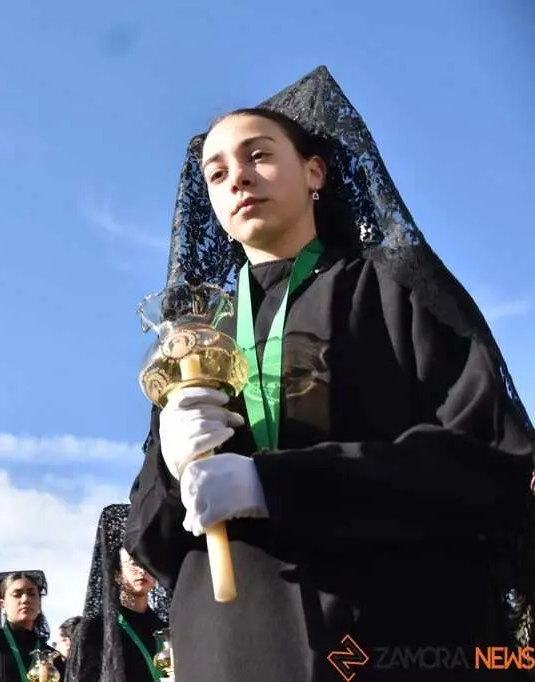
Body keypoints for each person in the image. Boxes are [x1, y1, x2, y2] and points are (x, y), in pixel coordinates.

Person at [125, 65, 535, 681]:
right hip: (229, 648)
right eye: (216, 172)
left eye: (258, 155)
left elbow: (491, 463)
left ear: (315, 171)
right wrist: (170, 464)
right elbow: (149, 542)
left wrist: (278, 485)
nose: (236, 177)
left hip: (394, 636)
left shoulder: (394, 289)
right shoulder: (195, 341)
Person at [67, 504, 170, 682]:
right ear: (116, 573)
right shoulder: (94, 630)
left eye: (147, 563)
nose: (142, 570)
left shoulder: (165, 629)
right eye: (133, 563)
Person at [0, 571, 66, 682]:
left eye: (32, 594)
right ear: (2, 604)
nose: (25, 599)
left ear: (39, 603)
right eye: (17, 594)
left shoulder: (52, 657)